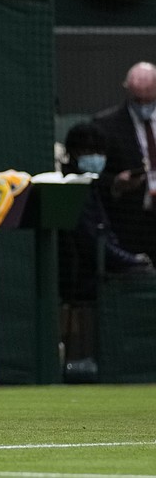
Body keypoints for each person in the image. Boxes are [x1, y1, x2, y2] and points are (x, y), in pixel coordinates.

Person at [57, 122, 154, 380]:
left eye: (99, 151)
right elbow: (93, 242)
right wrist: (134, 262)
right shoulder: (71, 189)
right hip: (80, 284)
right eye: (88, 151)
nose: (95, 157)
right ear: (74, 153)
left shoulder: (94, 186)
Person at [92, 62, 156, 262]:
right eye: (138, 99)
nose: (143, 105)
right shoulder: (105, 125)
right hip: (130, 224)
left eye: (149, 98)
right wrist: (117, 183)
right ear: (127, 90)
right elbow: (93, 178)